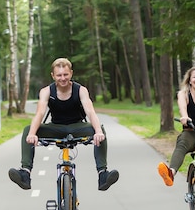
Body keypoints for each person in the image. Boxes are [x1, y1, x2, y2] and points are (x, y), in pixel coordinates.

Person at [9, 57, 119, 191]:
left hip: (77, 127)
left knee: (100, 129)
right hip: (56, 128)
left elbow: (90, 111)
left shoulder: (81, 90)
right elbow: (40, 113)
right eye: (59, 75)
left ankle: (102, 174)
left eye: (65, 74)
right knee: (27, 130)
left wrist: (98, 132)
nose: (62, 78)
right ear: (53, 76)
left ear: (71, 73)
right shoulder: (46, 92)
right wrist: (32, 134)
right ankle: (25, 173)